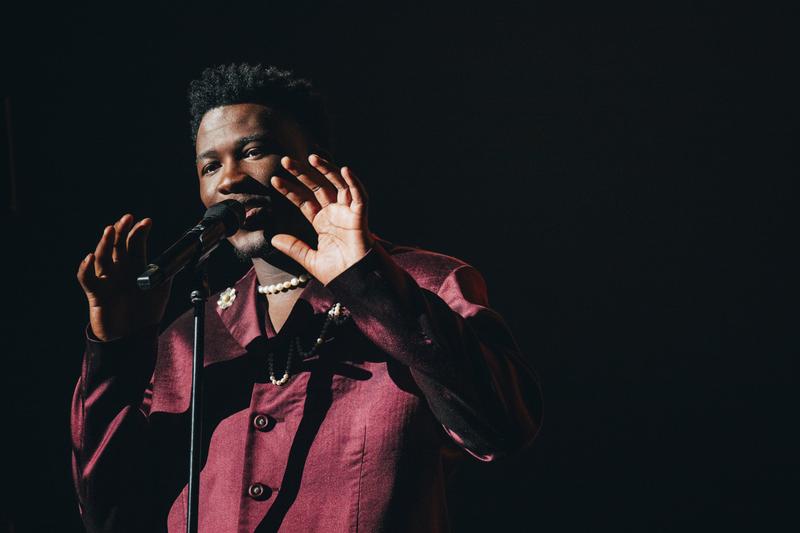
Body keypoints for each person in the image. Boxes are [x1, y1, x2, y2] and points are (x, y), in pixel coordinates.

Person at [71, 63, 542, 533]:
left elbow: (501, 428)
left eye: (252, 151)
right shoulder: (185, 342)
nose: (229, 180)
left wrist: (367, 284)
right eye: (210, 166)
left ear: (317, 162)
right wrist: (116, 350)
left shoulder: (425, 282)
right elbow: (111, 517)